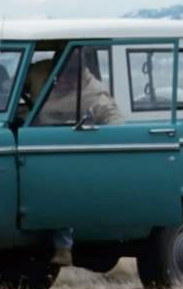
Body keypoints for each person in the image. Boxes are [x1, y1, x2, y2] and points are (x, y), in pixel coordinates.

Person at [31, 50, 123, 266]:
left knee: (63, 186)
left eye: (69, 75)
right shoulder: (38, 73)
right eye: (60, 73)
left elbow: (117, 125)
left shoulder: (95, 95)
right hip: (35, 144)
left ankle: (63, 246)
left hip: (68, 155)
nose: (63, 80)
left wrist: (92, 133)